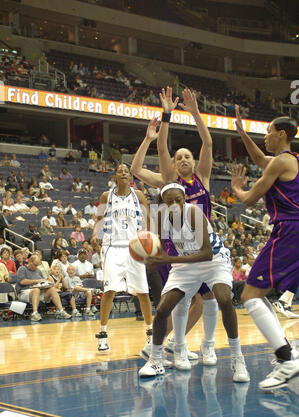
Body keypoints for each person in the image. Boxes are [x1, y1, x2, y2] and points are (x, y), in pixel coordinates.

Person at [131, 88, 219, 365]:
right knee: (187, 300)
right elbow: (160, 148)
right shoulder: (169, 179)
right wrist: (166, 115)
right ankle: (166, 344)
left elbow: (207, 143)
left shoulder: (203, 177)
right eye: (178, 157)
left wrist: (194, 113)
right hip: (175, 245)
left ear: (194, 162)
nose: (182, 159)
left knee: (205, 300)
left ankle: (170, 343)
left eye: (187, 156)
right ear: (172, 163)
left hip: (202, 246)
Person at [139, 183, 249, 382]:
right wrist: (149, 258)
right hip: (185, 264)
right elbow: (161, 250)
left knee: (223, 299)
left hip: (213, 260)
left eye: (178, 201)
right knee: (163, 309)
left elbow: (206, 253)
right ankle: (155, 360)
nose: (174, 205)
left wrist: (167, 259)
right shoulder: (161, 217)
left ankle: (237, 358)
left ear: (185, 200)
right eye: (169, 201)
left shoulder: (193, 214)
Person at [232, 107, 299, 390]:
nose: (265, 137)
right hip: (295, 231)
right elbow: (260, 159)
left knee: (249, 295)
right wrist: (242, 134)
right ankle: (288, 352)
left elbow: (248, 200)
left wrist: (236, 188)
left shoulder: (281, 161)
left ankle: (286, 360)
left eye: (269, 133)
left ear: (282, 134)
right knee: (260, 294)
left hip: (289, 230)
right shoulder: (289, 160)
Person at [92, 163, 153, 355]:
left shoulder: (139, 195)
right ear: (115, 176)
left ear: (130, 177)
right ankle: (102, 336)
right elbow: (100, 220)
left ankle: (151, 336)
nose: (124, 172)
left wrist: (149, 239)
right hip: (112, 247)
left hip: (134, 248)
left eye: (126, 170)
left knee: (143, 293)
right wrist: (95, 234)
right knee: (109, 290)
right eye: (120, 171)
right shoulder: (106, 196)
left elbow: (148, 220)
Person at [16, 255, 71, 321]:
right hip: (24, 292)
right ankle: (34, 313)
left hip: (39, 291)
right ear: (30, 262)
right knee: (36, 290)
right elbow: (22, 282)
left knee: (52, 289)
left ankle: (61, 311)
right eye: (35, 265)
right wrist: (36, 281)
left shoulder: (38, 271)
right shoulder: (22, 269)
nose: (36, 267)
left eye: (37, 265)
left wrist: (47, 283)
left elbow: (42, 281)